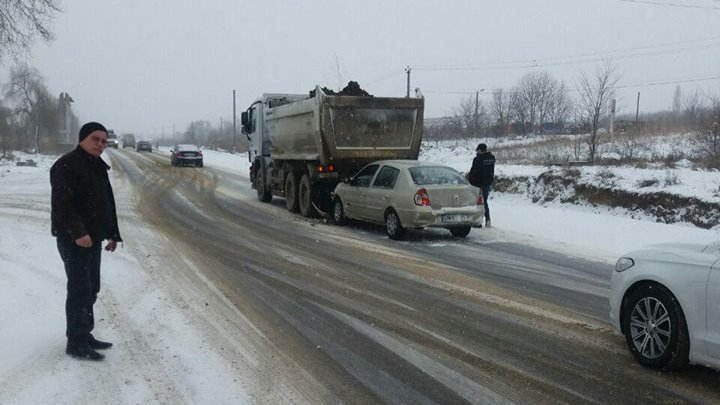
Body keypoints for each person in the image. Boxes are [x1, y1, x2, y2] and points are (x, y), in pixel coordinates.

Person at [51, 122, 122, 361]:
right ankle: (76, 341)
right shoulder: (66, 165)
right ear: (82, 139)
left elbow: (106, 202)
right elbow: (63, 205)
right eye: (95, 139)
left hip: (94, 238)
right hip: (74, 240)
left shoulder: (97, 166)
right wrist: (78, 232)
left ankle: (85, 333)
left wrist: (112, 233)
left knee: (91, 288)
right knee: (80, 289)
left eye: (104, 140)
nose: (100, 144)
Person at [467, 143, 496, 227]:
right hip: (487, 183)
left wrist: (470, 181)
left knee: (478, 203)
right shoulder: (492, 158)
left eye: (478, 151)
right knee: (484, 202)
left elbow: (473, 172)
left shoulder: (477, 159)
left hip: (477, 184)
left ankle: (478, 221)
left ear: (480, 150)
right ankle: (488, 220)